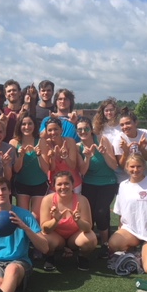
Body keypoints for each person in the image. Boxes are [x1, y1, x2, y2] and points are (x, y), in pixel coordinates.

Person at [108, 154, 147, 274]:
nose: (135, 170)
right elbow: (121, 210)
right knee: (113, 244)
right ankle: (136, 252)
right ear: (127, 168)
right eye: (132, 167)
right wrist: (120, 228)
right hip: (131, 230)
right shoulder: (123, 185)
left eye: (139, 166)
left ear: (144, 167)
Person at [76, 116, 118, 257]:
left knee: (101, 211)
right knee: (90, 215)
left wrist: (104, 153)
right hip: (89, 183)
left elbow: (114, 166)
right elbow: (82, 171)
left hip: (108, 182)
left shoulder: (102, 140)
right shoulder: (78, 147)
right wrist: (87, 157)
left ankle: (105, 243)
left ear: (91, 129)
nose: (83, 131)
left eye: (86, 128)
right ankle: (92, 241)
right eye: (80, 129)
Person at [40, 172, 98, 271]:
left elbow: (88, 227)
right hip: (56, 237)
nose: (63, 187)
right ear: (54, 186)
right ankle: (50, 256)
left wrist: (78, 220)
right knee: (44, 238)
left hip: (74, 237)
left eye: (67, 183)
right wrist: (55, 220)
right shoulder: (47, 200)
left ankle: (82, 256)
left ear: (73, 185)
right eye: (59, 184)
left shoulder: (82, 200)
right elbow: (45, 229)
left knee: (90, 239)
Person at [9, 111, 48, 222]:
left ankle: (35, 237)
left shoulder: (41, 142)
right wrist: (20, 156)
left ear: (34, 125)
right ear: (19, 126)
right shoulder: (14, 143)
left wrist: (39, 155)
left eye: (30, 124)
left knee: (36, 217)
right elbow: (16, 169)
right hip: (22, 184)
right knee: (23, 216)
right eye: (23, 124)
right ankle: (24, 238)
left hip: (39, 183)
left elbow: (46, 169)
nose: (27, 127)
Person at [39, 117, 82, 193]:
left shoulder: (70, 142)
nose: (53, 132)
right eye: (50, 130)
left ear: (61, 130)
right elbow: (51, 169)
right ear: (46, 131)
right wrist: (52, 158)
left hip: (73, 184)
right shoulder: (46, 144)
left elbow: (73, 165)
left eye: (55, 129)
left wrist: (65, 156)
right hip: (55, 184)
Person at [92, 98, 125, 182]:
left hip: (122, 162)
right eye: (106, 110)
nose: (109, 113)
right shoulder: (99, 128)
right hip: (107, 163)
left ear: (116, 111)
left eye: (111, 110)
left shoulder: (122, 126)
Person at [115, 108, 147, 175]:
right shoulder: (119, 138)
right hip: (125, 177)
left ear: (136, 122)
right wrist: (126, 152)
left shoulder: (145, 133)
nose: (125, 127)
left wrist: (142, 149)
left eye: (128, 123)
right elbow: (122, 166)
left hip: (143, 174)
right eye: (122, 125)